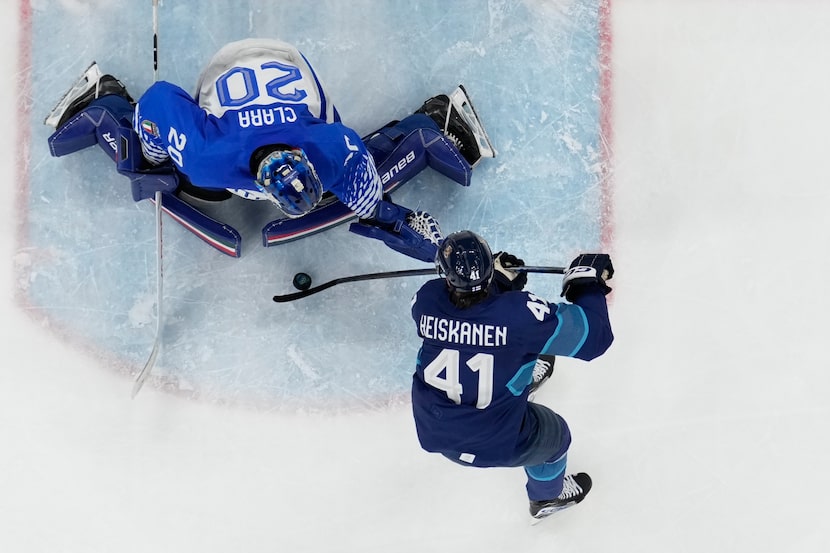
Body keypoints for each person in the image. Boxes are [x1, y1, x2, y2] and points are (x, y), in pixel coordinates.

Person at [44, 39, 495, 260]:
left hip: (278, 66)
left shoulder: (328, 149)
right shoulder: (212, 157)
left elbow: (162, 100)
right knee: (202, 180)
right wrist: (157, 156)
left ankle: (434, 119)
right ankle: (434, 120)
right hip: (239, 69)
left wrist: (152, 158)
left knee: (192, 173)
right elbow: (158, 101)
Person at [409, 230, 614, 520]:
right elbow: (595, 338)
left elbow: (466, 321)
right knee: (557, 437)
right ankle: (546, 498)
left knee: (505, 354)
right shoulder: (521, 318)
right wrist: (586, 286)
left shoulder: (426, 301)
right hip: (499, 441)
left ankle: (522, 382)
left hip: (439, 432)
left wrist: (500, 285)